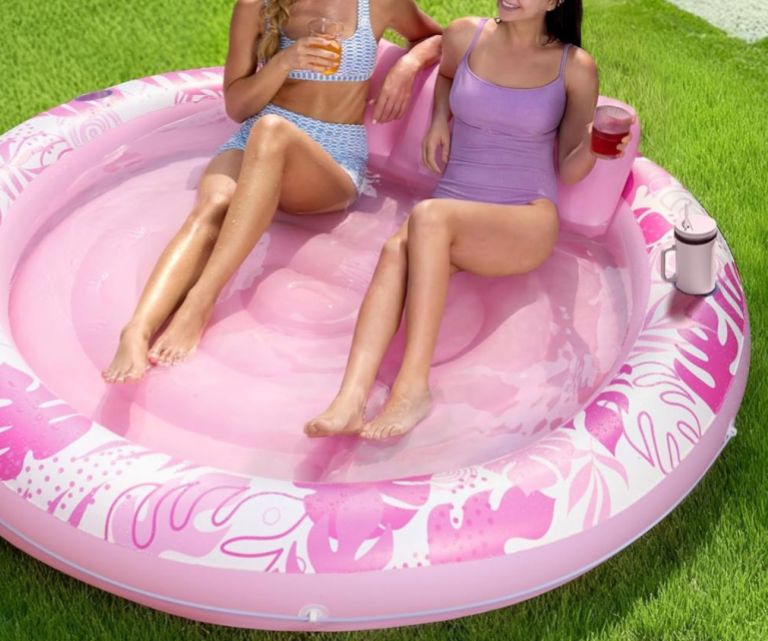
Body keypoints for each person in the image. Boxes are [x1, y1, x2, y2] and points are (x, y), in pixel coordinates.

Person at [305, 0, 633, 440]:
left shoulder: (574, 67)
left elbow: (568, 168)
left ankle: (412, 388)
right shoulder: (465, 35)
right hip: (453, 207)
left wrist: (594, 144)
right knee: (394, 250)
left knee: (428, 218)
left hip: (524, 217)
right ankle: (350, 398)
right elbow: (444, 74)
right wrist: (442, 115)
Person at [103, 0, 442, 382]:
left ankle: (199, 302)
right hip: (259, 136)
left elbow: (437, 38)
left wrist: (409, 64)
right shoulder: (257, 6)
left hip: (331, 155)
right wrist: (285, 61)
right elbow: (237, 105)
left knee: (273, 131)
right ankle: (137, 330)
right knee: (213, 205)